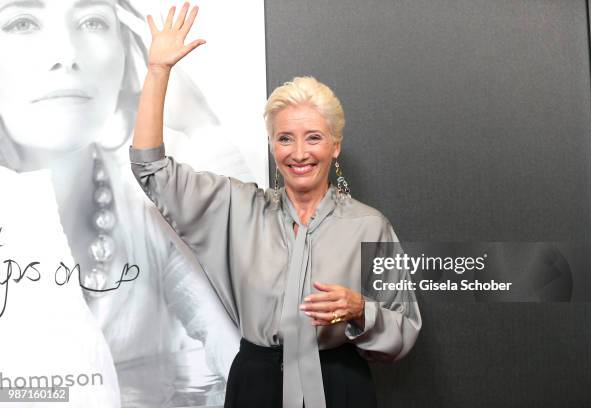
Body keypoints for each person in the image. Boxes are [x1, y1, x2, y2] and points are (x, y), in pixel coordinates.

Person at [129, 3, 422, 407]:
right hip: (256, 387)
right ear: (271, 145)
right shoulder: (236, 208)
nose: (299, 153)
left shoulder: (370, 225)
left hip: (341, 387)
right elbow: (151, 171)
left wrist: (359, 310)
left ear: (335, 145)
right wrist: (158, 71)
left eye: (314, 137)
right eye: (285, 139)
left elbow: (405, 331)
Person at [0, 0, 242, 406]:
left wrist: (201, 124)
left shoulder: (148, 205)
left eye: (92, 20)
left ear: (127, 58)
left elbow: (253, 336)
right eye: (22, 22)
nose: (65, 55)